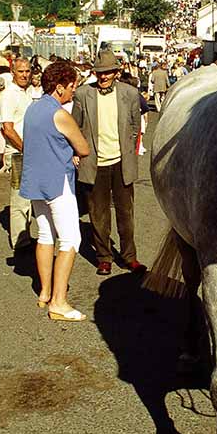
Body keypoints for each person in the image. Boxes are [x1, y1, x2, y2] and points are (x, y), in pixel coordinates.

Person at [20, 60, 90, 320]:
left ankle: (45, 292)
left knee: (45, 235)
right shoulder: (60, 114)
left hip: (35, 181)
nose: (73, 91)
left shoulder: (32, 108)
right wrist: (71, 150)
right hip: (57, 182)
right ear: (60, 87)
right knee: (71, 239)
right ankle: (59, 302)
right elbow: (83, 148)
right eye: (71, 86)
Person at [72, 49, 146, 276]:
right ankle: (104, 257)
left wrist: (128, 149)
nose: (103, 77)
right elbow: (75, 126)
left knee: (126, 214)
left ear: (116, 72)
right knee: (98, 214)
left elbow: (135, 126)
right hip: (94, 163)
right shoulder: (83, 94)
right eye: (99, 73)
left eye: (108, 72)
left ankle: (129, 257)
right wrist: (77, 152)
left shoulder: (130, 93)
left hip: (121, 162)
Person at [0, 57, 37, 250]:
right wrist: (25, 149)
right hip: (18, 152)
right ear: (12, 72)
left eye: (27, 71)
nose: (25, 75)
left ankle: (25, 235)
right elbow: (7, 129)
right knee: (20, 199)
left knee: (29, 198)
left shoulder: (27, 92)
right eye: (21, 71)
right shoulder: (9, 95)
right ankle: (19, 242)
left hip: (27, 150)